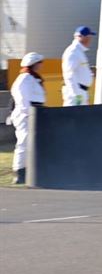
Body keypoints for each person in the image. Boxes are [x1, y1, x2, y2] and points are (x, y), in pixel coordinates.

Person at [6, 53, 46, 185]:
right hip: (26, 115)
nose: (41, 65)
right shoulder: (24, 79)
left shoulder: (33, 79)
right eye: (39, 62)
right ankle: (19, 172)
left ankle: (29, 170)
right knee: (23, 142)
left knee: (32, 143)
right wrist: (29, 114)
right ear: (34, 63)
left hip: (35, 113)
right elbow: (24, 101)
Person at [62, 25, 96, 106]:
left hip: (81, 92)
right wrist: (76, 95)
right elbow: (69, 74)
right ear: (81, 37)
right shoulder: (73, 52)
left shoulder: (79, 52)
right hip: (76, 94)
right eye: (88, 37)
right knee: (72, 117)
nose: (90, 40)